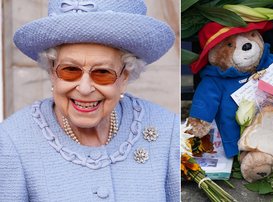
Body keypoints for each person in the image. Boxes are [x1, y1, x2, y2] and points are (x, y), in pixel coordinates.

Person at [0, 0, 179, 201]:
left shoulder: (168, 130)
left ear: (125, 76)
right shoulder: (11, 141)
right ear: (51, 71)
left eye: (102, 72)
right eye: (70, 70)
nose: (84, 89)